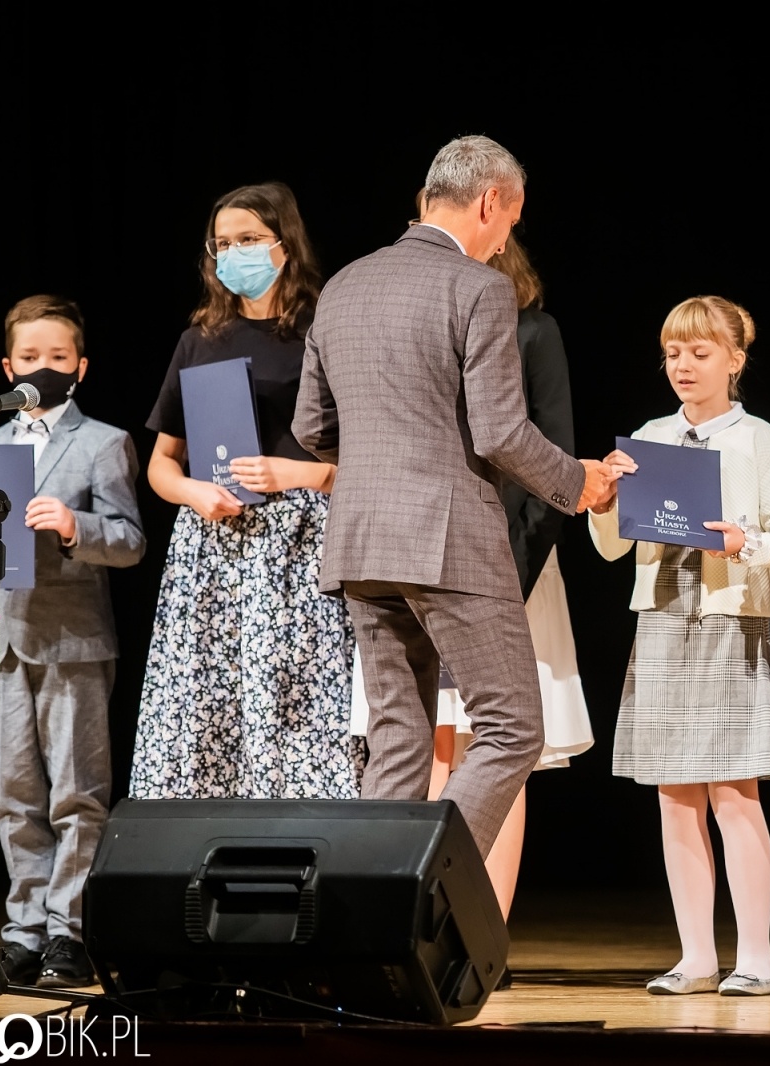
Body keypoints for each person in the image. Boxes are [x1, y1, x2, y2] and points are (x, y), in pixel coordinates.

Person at [292, 135, 614, 858]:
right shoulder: (478, 287)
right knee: (511, 730)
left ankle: (369, 921)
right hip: (449, 540)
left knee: (399, 738)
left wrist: (384, 459)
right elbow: (501, 432)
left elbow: (310, 426)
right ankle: (421, 885)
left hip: (362, 541)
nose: (505, 243)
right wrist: (577, 483)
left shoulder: (344, 285)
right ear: (489, 201)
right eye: (511, 221)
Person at [0, 296, 145, 988]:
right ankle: (22, 928)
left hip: (74, 641)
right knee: (12, 793)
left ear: (80, 367)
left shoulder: (103, 442)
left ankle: (69, 931)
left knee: (76, 793)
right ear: (7, 367)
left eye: (57, 358)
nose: (43, 368)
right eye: (30, 359)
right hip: (3, 639)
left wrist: (76, 526)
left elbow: (132, 541)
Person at [591, 295, 770, 997]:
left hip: (727, 620)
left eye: (700, 352)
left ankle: (755, 958)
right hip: (660, 619)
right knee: (673, 797)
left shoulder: (761, 440)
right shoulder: (649, 437)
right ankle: (695, 957)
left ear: (735, 360)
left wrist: (746, 542)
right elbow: (615, 546)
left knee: (733, 792)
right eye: (674, 353)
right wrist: (602, 504)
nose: (683, 365)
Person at [131, 182, 361, 800]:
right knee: (211, 701)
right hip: (215, 550)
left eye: (250, 240)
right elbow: (160, 465)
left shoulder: (325, 329)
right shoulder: (201, 339)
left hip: (302, 544)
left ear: (286, 245)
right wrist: (192, 494)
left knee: (298, 700)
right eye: (223, 244)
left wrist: (300, 474)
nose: (233, 254)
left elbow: (368, 457)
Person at [424, 234, 593, 923]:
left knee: (502, 745)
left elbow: (551, 453)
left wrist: (512, 572)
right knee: (437, 743)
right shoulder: (425, 330)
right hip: (428, 565)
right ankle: (427, 919)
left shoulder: (533, 331)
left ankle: (483, 926)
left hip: (511, 563)